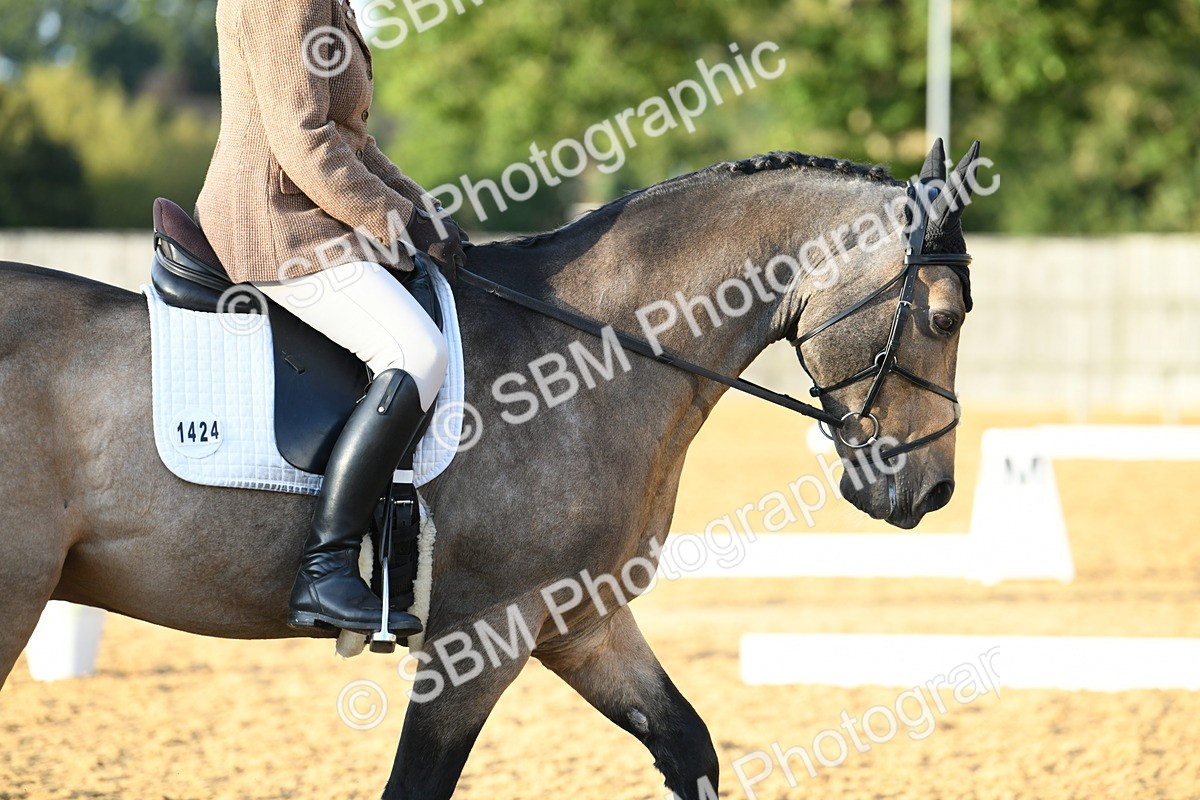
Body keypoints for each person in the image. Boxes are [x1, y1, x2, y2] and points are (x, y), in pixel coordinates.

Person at [195, 0, 467, 637]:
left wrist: (424, 212)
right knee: (416, 354)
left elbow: (353, 142)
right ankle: (326, 567)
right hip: (275, 221)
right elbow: (301, 141)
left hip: (308, 210)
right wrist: (393, 223)